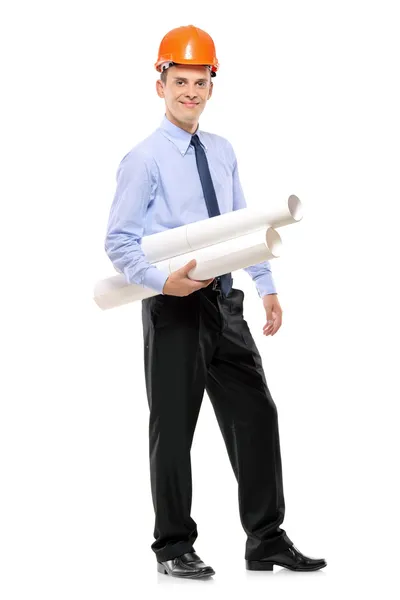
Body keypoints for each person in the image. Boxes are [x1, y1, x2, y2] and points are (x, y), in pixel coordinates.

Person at [105, 24, 327, 579]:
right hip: (174, 306)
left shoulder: (223, 151)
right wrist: (161, 284)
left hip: (225, 305)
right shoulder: (144, 159)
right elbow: (119, 241)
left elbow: (238, 222)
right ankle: (173, 546)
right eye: (179, 81)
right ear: (160, 84)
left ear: (211, 85)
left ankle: (266, 540)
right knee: (174, 429)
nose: (190, 92)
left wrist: (265, 285)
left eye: (199, 82)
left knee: (257, 414)